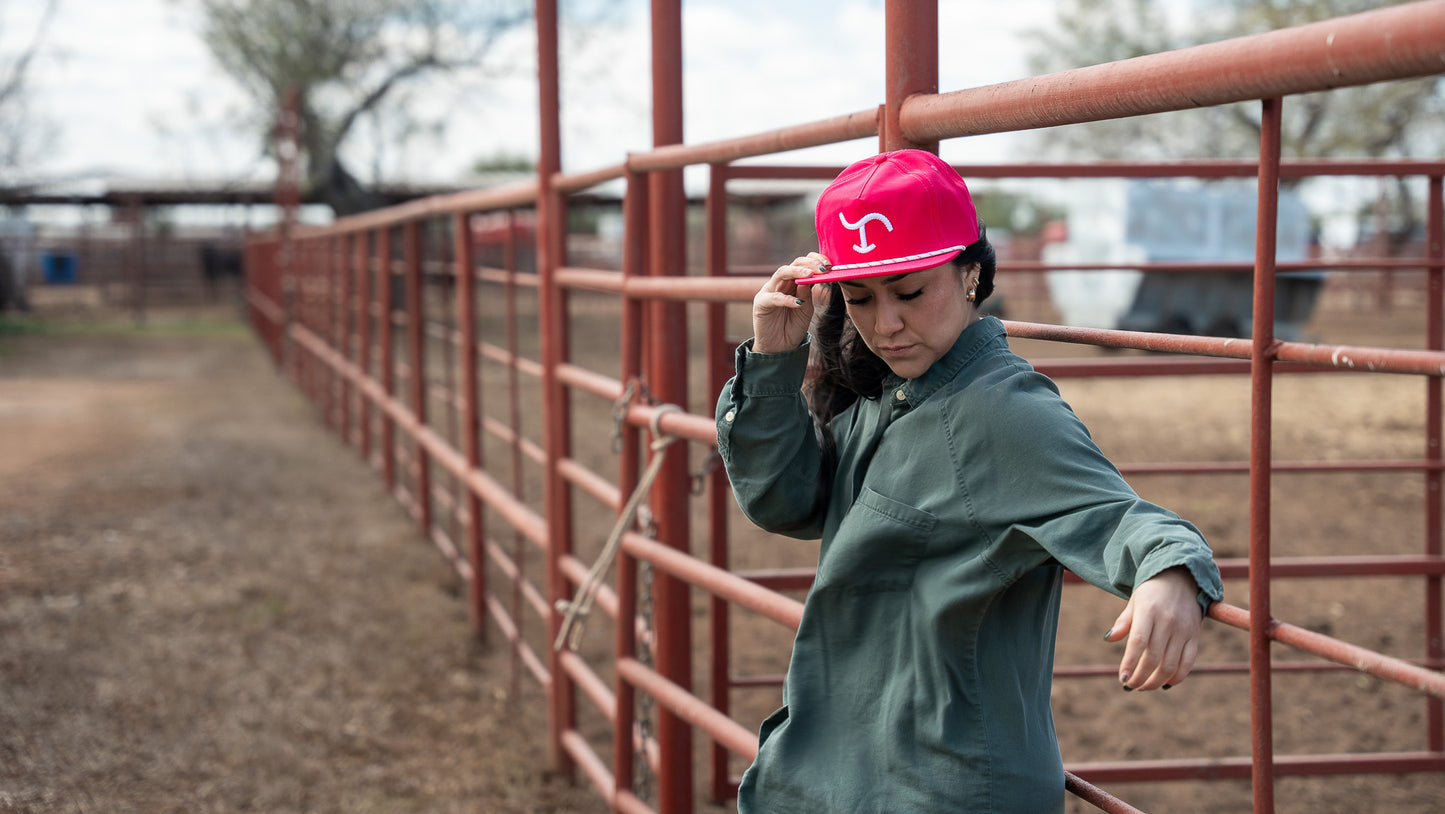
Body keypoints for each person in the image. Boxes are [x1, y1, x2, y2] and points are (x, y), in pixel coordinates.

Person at [714, 149, 1223, 813]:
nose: (885, 324)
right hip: (855, 768)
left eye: (909, 291)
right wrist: (776, 360)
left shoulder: (999, 412)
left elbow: (1120, 516)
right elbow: (781, 502)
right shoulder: (887, 395)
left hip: (938, 785)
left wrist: (1170, 569)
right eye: (859, 297)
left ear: (970, 273)